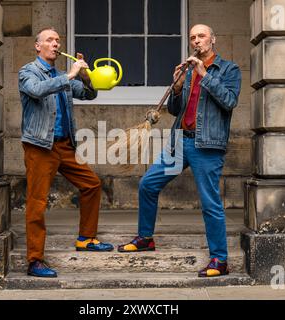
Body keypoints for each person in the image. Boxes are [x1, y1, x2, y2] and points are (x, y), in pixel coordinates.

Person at [118, 24, 242, 278]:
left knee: (210, 203)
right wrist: (176, 88)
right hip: (180, 142)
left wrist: (204, 74)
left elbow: (229, 101)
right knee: (148, 184)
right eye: (193, 37)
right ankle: (145, 238)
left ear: (213, 39)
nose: (196, 41)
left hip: (206, 144)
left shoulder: (229, 69)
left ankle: (220, 260)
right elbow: (176, 110)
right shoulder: (187, 71)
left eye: (202, 36)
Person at [18, 27, 114, 278]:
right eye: (49, 40)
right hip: (40, 145)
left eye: (58, 40)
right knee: (37, 203)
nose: (55, 43)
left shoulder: (64, 75)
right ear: (38, 46)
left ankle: (86, 238)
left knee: (92, 184)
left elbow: (90, 95)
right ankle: (34, 260)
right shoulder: (28, 72)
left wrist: (84, 76)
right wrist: (69, 76)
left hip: (64, 145)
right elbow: (37, 90)